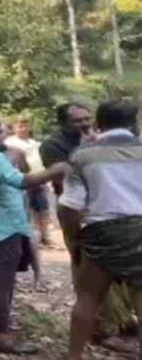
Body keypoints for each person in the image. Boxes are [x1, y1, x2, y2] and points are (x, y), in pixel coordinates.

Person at [0, 120, 69, 354]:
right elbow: (21, 181)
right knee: (1, 282)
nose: (5, 135)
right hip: (2, 226)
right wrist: (54, 171)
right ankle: (1, 336)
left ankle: (1, 328)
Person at [41, 103, 136, 340]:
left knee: (118, 282)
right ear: (63, 123)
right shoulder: (53, 146)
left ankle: (123, 320)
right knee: (90, 285)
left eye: (87, 118)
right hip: (82, 214)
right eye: (77, 120)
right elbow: (64, 180)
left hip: (108, 215)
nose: (84, 124)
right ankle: (104, 329)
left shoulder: (97, 148)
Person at [6, 116, 54, 246]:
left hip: (38, 179)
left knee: (42, 208)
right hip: (20, 180)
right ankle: (29, 238)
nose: (23, 129)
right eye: (20, 126)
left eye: (25, 126)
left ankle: (44, 236)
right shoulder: (9, 143)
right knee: (25, 209)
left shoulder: (35, 143)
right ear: (14, 128)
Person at [5, 147, 43, 291]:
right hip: (6, 217)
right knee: (10, 247)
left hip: (22, 216)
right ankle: (11, 277)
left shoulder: (23, 179)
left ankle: (38, 276)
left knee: (30, 244)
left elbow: (28, 199)